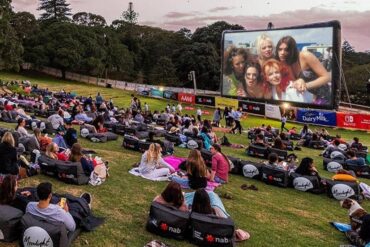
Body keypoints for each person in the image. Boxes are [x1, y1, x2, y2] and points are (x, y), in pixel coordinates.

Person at [275, 36, 331, 105]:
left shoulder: (305, 56)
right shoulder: (283, 62)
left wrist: (306, 85)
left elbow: (326, 77)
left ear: (292, 50)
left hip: (322, 99)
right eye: (280, 49)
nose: (282, 52)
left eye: (286, 50)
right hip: (305, 99)